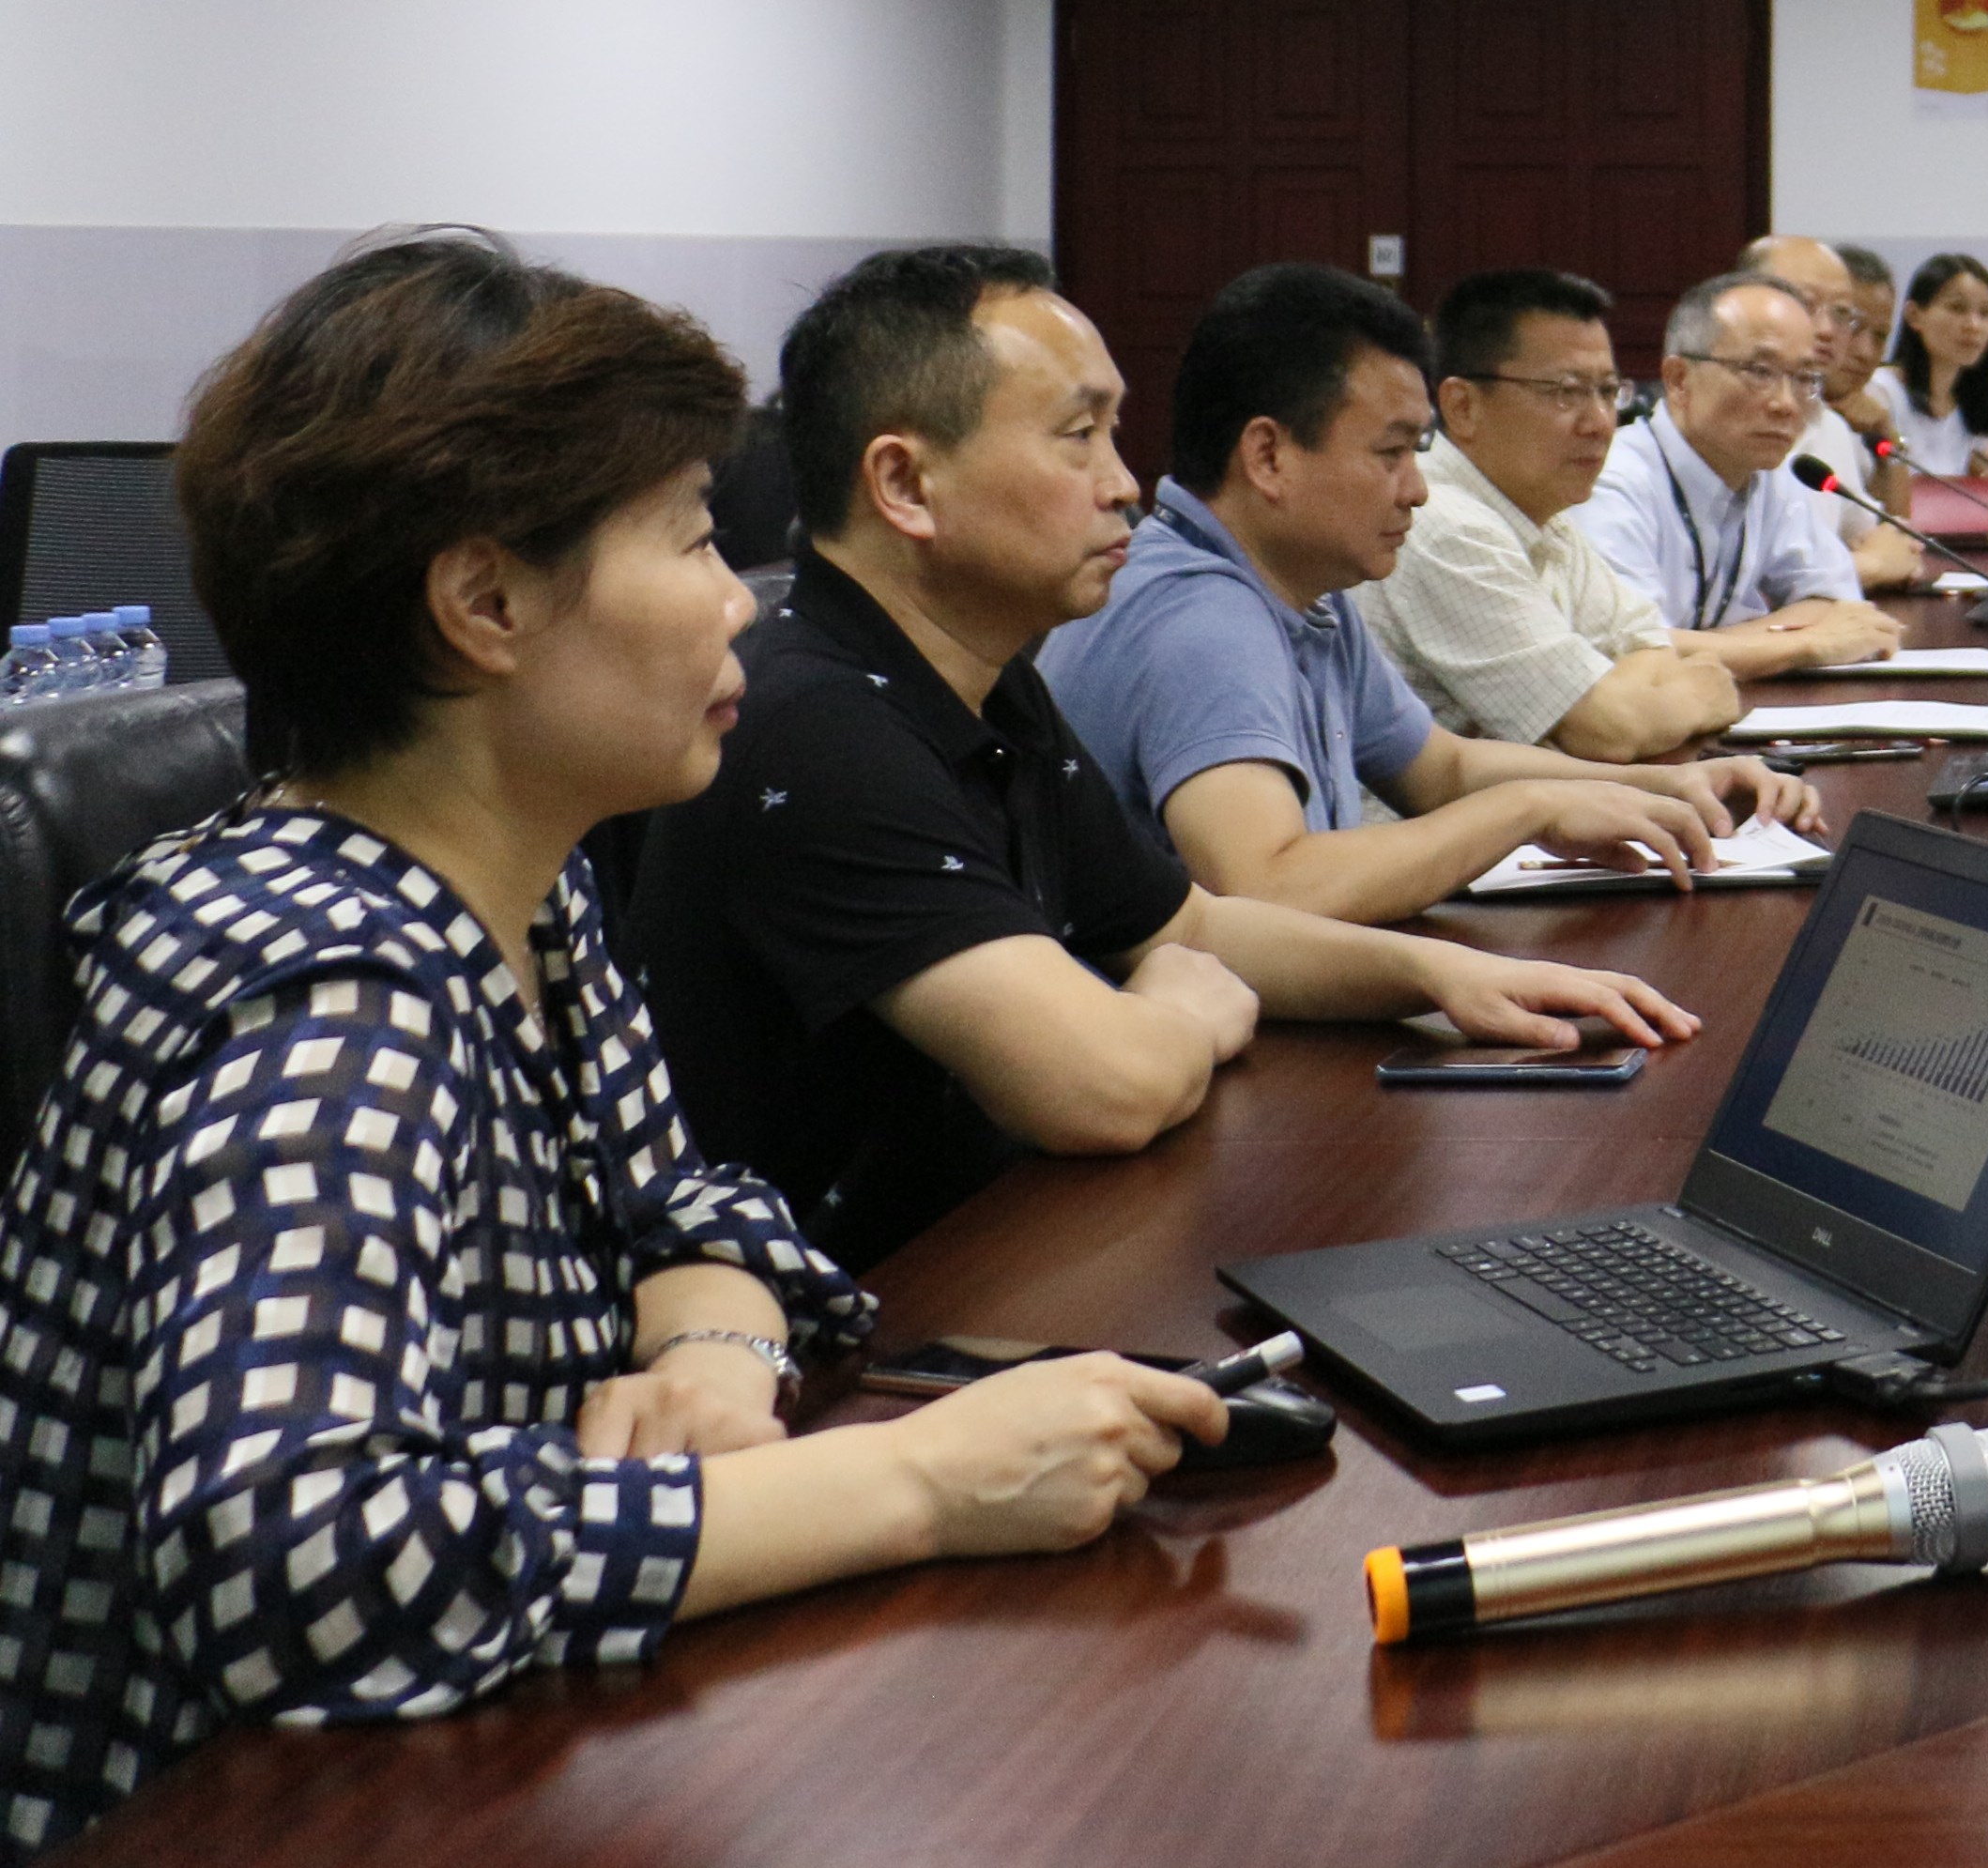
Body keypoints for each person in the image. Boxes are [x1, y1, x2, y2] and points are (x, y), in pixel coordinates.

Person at [0, 237, 1231, 1855]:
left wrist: (710, 1345)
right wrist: (917, 1482)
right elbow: (293, 1562)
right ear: (486, 603)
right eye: (694, 536)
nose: (736, 597)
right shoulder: (327, 997)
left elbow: (689, 1202)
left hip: (478, 1746)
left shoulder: (527, 886)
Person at [633, 248, 1702, 1266]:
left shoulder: (983, 679)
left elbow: (1187, 926)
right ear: (905, 485)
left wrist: (1443, 975)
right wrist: (1183, 1008)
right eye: (1078, 437)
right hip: (857, 1321)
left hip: (1001, 1241)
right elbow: (1103, 1086)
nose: (1124, 484)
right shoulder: (822, 725)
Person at [1046, 264, 1788, 927]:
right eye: (1391, 453)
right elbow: (1270, 888)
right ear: (1268, 457)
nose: (1417, 489)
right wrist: (1530, 808)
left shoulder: (1304, 586)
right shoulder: (1201, 619)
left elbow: (1439, 769)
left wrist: (1667, 786)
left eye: (1417, 451)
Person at [1355, 268, 1745, 762]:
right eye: (1566, 391)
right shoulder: (1441, 525)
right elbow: (1612, 733)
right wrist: (1698, 692)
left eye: (1608, 391)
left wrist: (1626, 707)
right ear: (1462, 406)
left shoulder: (1543, 515)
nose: (1600, 423)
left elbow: (1650, 647)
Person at [1576, 268, 1906, 671]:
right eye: (1759, 372)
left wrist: (1730, 646)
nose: (1786, 404)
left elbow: (1837, 602)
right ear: (1679, 380)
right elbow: (1633, 652)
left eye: (1805, 378)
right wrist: (1803, 645)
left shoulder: (1768, 475)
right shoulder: (1609, 483)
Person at [1746, 232, 1923, 587]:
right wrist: (1866, 567)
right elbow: (1751, 588)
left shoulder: (1829, 428)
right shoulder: (1727, 426)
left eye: (1842, 314)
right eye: (1805, 304)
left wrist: (1881, 559)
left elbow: (1889, 545)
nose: (1827, 330)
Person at [1880, 249, 1988, 481]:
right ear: (1914, 315)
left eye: (1985, 313)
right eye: (1957, 308)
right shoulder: (1883, 392)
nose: (1973, 325)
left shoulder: (1968, 402)